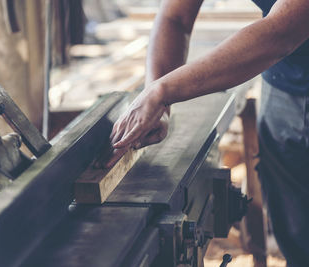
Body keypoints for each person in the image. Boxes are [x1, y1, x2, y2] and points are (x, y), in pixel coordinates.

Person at [106, 0, 309, 266]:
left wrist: (162, 92)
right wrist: (159, 103)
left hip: (283, 46)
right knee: (295, 227)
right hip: (283, 85)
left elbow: (283, 31)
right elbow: (175, 17)